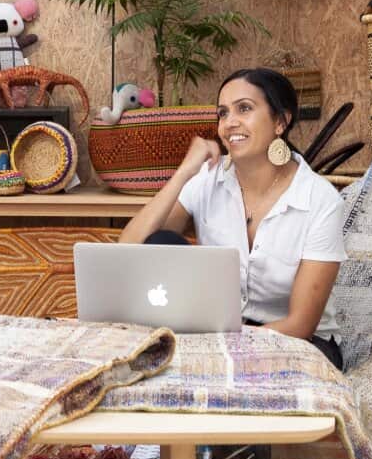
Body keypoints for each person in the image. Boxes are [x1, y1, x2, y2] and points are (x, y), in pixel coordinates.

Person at [118, 68, 347, 370]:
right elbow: (129, 250)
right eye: (223, 113)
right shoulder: (208, 180)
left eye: (245, 109)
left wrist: (217, 348)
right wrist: (185, 171)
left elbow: (301, 323)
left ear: (281, 121)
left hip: (298, 343)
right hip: (220, 333)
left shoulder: (321, 199)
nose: (229, 123)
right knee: (161, 242)